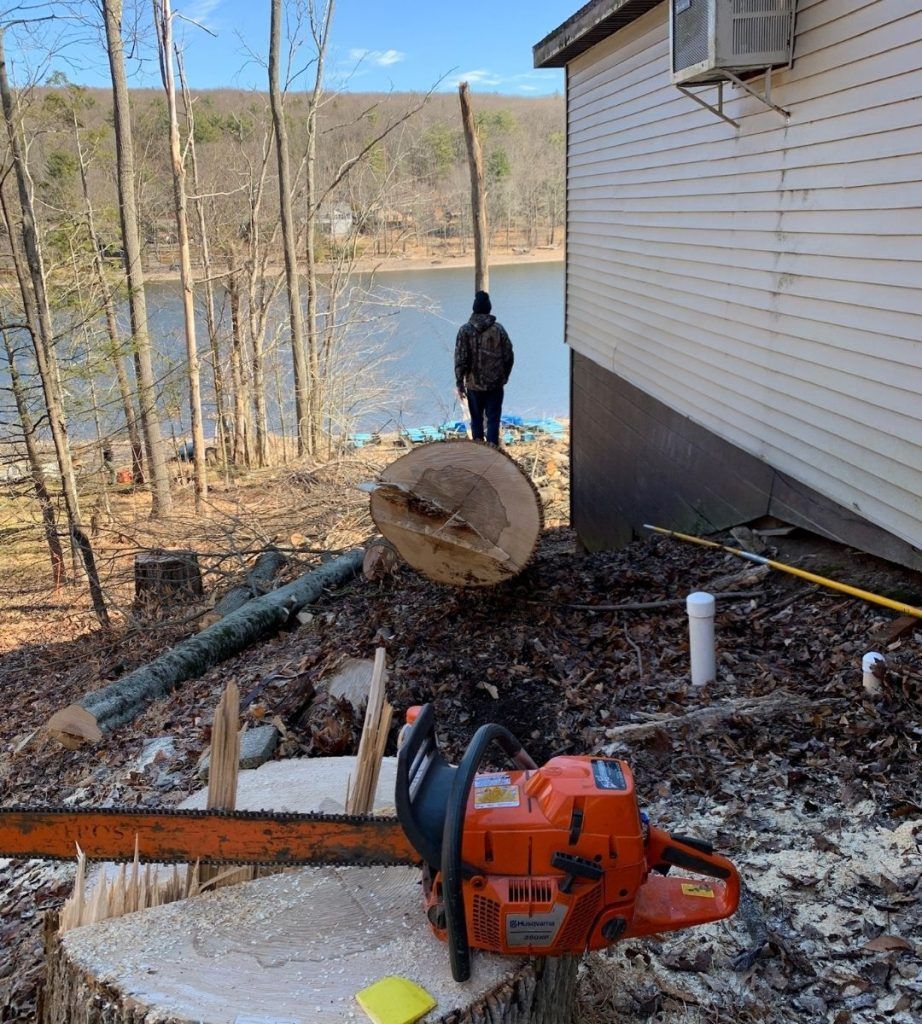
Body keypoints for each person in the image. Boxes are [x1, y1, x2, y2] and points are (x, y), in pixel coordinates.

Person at [454, 290, 514, 446]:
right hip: (495, 384)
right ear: (489, 309)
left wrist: (460, 382)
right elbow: (509, 356)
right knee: (494, 419)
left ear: (474, 308)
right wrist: (504, 377)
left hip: (474, 385)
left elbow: (460, 359)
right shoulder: (499, 330)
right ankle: (494, 451)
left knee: (476, 420)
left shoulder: (464, 331)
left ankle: (479, 451)